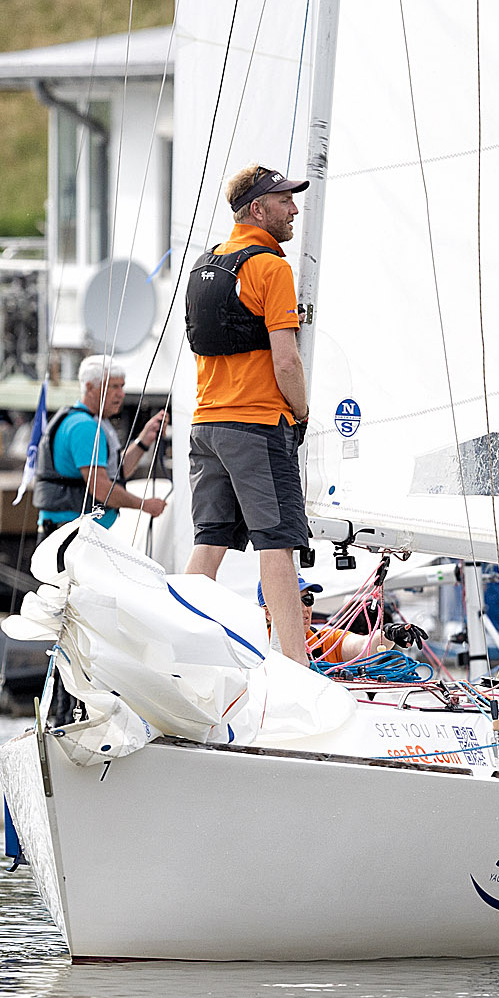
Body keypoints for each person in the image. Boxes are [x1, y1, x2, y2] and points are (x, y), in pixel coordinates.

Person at [183, 164, 315, 665]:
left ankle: (181, 650)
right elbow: (286, 358)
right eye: (284, 200)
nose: (294, 209)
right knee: (277, 544)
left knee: (210, 543)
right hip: (257, 424)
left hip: (206, 425)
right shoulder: (271, 267)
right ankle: (297, 667)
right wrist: (301, 413)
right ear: (258, 209)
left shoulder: (204, 265)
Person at [33, 355, 168, 538]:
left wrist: (143, 441)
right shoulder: (84, 427)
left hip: (78, 534)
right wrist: (144, 505)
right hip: (69, 536)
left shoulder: (94, 422)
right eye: (113, 386)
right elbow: (102, 488)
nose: (121, 394)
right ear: (89, 387)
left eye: (122, 386)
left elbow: (115, 473)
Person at [256, 575, 428, 665]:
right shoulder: (254, 648)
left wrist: (389, 633)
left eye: (307, 600)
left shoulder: (323, 640)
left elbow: (362, 645)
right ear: (267, 613)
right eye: (293, 600)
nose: (303, 608)